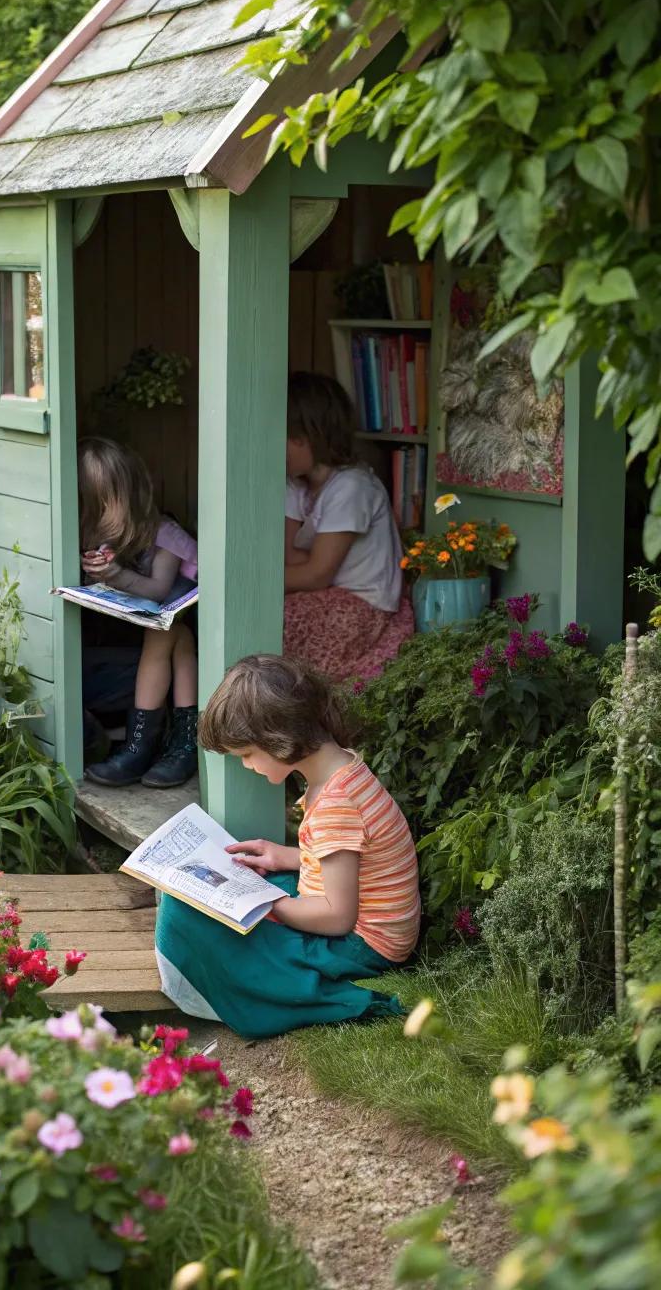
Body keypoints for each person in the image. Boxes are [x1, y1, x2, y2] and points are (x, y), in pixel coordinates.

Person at [155, 654, 420, 1038]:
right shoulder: (341, 769)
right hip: (358, 923)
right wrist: (286, 857)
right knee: (200, 895)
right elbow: (351, 856)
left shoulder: (336, 802)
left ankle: (225, 992)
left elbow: (337, 917)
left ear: (278, 739)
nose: (247, 765)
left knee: (184, 910)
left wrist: (268, 903)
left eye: (247, 754)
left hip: (361, 945)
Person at [78, 436, 199, 789]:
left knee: (173, 633)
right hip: (149, 638)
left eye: (102, 508)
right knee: (171, 637)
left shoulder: (166, 535)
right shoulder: (93, 531)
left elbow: (160, 590)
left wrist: (115, 575)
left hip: (181, 620)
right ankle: (156, 745)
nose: (95, 522)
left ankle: (153, 745)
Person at [284, 371, 414, 686]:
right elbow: (289, 559)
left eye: (281, 438)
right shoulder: (297, 484)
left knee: (278, 621)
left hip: (363, 604)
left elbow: (317, 573)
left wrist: (252, 582)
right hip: (326, 593)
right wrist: (306, 565)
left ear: (305, 438)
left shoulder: (351, 487)